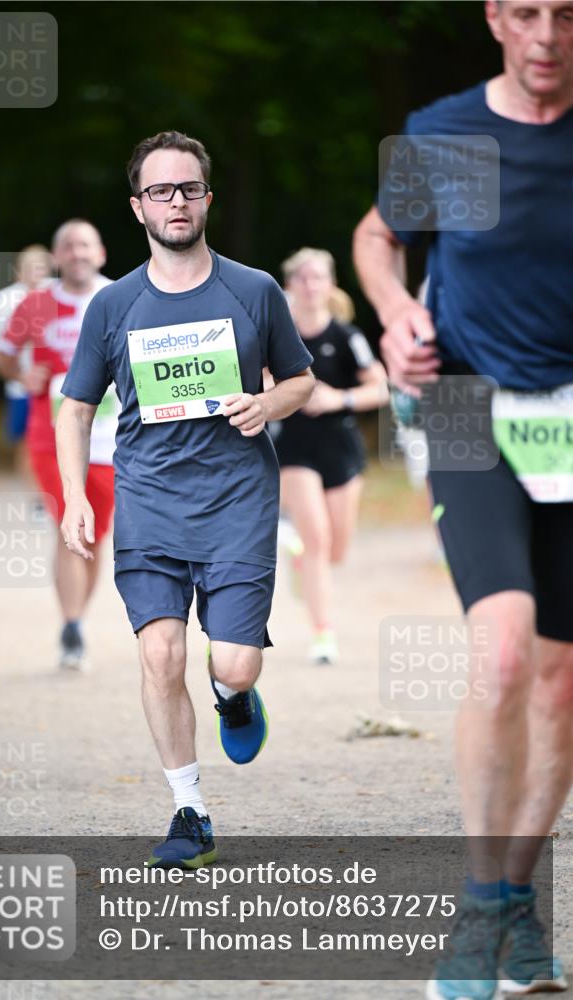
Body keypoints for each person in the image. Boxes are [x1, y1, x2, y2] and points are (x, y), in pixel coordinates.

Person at [353, 2, 573, 998]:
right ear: (494, 17)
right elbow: (373, 235)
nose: (544, 36)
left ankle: (509, 905)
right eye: (525, 12)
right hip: (462, 406)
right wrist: (398, 311)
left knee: (560, 686)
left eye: (565, 16)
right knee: (501, 646)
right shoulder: (444, 134)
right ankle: (481, 914)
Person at [56, 130, 314, 868]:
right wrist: (77, 496)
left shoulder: (253, 289)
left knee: (232, 663)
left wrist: (269, 404)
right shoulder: (113, 305)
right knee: (161, 653)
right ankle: (189, 810)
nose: (176, 201)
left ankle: (233, 697)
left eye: (188, 188)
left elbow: (299, 379)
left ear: (208, 197)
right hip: (148, 502)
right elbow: (75, 409)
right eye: (160, 190)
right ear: (137, 206)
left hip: (237, 500)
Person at [0, 220, 116, 672]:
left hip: (110, 439)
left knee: (96, 535)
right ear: (57, 257)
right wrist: (21, 376)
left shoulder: (120, 298)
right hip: (51, 436)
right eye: (68, 246)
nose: (77, 253)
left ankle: (78, 618)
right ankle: (71, 625)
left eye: (85, 245)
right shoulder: (37, 303)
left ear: (100, 253)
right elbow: (4, 353)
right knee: (69, 525)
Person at [272, 247, 388, 664]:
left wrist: (337, 399)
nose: (309, 284)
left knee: (335, 550)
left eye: (317, 277)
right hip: (293, 448)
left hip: (340, 448)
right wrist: (284, 393)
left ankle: (301, 560)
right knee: (318, 538)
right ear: (289, 285)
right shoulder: (278, 334)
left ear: (330, 284)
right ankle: (323, 634)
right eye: (301, 277)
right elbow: (257, 380)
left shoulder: (346, 336)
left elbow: (381, 388)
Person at [0, 245, 53, 482]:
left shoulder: (60, 293)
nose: (36, 273)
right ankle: (37, 497)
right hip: (21, 386)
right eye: (30, 268)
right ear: (18, 271)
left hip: (57, 385)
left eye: (41, 267)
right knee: (25, 442)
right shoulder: (5, 300)